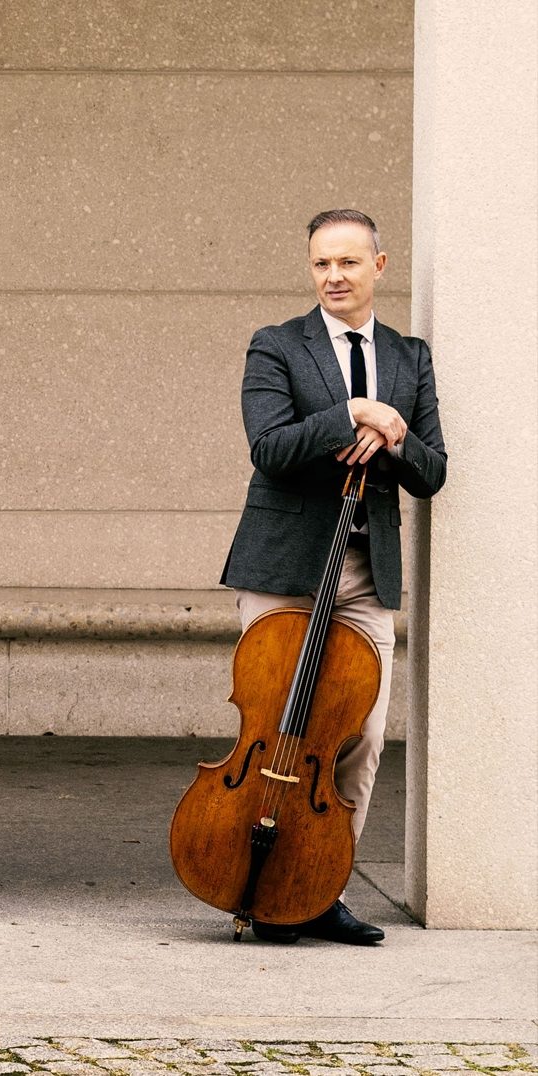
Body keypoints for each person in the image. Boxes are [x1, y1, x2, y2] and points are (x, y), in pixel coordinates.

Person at [219, 208, 447, 945]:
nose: (333, 277)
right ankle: (257, 885)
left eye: (348, 262)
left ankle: (317, 890)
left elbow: (433, 473)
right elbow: (271, 447)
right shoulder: (277, 345)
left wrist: (398, 431)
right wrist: (351, 410)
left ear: (380, 265)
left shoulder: (411, 357)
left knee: (360, 739)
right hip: (287, 567)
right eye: (321, 263)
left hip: (361, 569)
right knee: (275, 729)